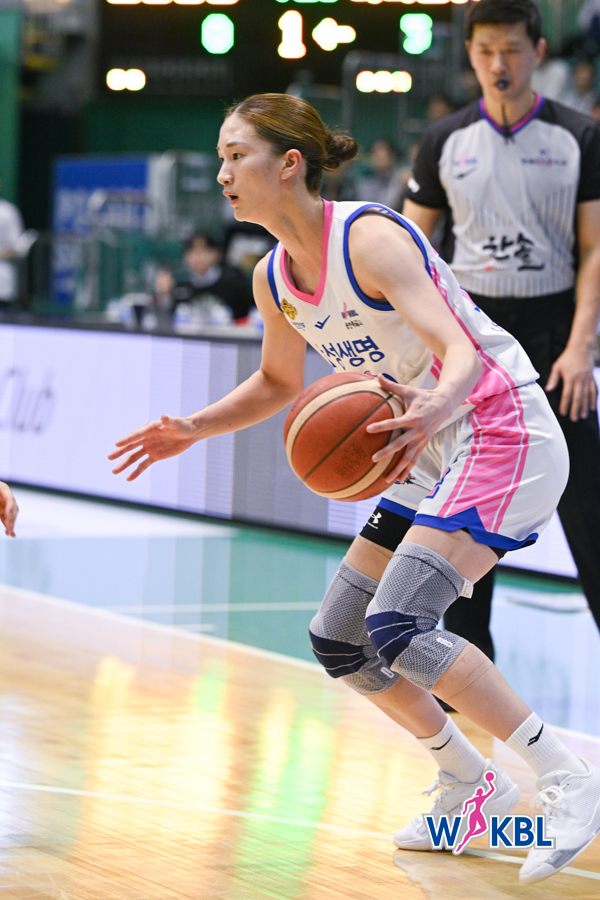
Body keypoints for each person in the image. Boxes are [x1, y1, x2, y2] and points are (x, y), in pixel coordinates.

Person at [109, 92, 600, 884]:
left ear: (288, 164)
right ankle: (470, 783)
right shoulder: (273, 275)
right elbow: (278, 383)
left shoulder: (368, 238)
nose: (223, 173)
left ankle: (568, 778)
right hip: (428, 445)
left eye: (236, 156)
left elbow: (458, 349)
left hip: (500, 424)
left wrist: (436, 402)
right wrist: (192, 428)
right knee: (341, 637)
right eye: (221, 158)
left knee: (400, 622)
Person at [403, 0, 600, 659]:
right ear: (470, 55)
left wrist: (581, 346)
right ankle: (467, 691)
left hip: (553, 338)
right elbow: (407, 251)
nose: (498, 64)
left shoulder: (580, 136)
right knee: (467, 514)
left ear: (538, 52)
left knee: (590, 512)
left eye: (512, 49)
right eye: (485, 51)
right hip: (473, 340)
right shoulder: (443, 141)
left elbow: (595, 248)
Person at [171, 232, 254, 322]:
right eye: (193, 251)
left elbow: (249, 313)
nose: (198, 256)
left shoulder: (233, 280)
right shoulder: (181, 285)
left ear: (217, 253)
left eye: (204, 250)